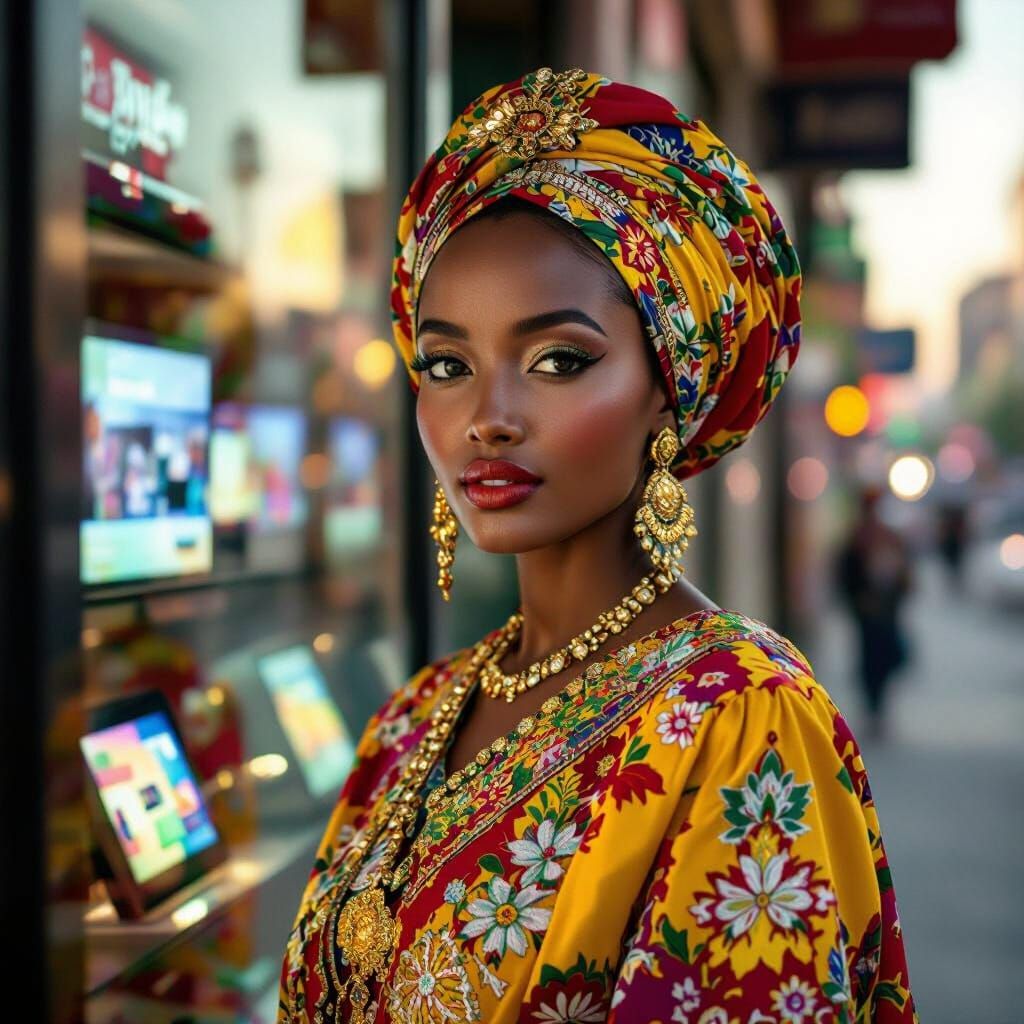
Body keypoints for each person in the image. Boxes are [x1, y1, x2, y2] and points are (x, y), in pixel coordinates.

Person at [278, 68, 917, 1023]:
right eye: (447, 365)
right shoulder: (412, 720)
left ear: (668, 386)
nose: (486, 420)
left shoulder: (743, 722)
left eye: (557, 361)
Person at [836, 485, 914, 742]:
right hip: (867, 614)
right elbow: (844, 576)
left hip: (887, 611)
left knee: (888, 657)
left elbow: (905, 574)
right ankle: (874, 708)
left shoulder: (888, 536)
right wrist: (858, 602)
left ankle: (878, 707)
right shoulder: (856, 539)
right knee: (870, 661)